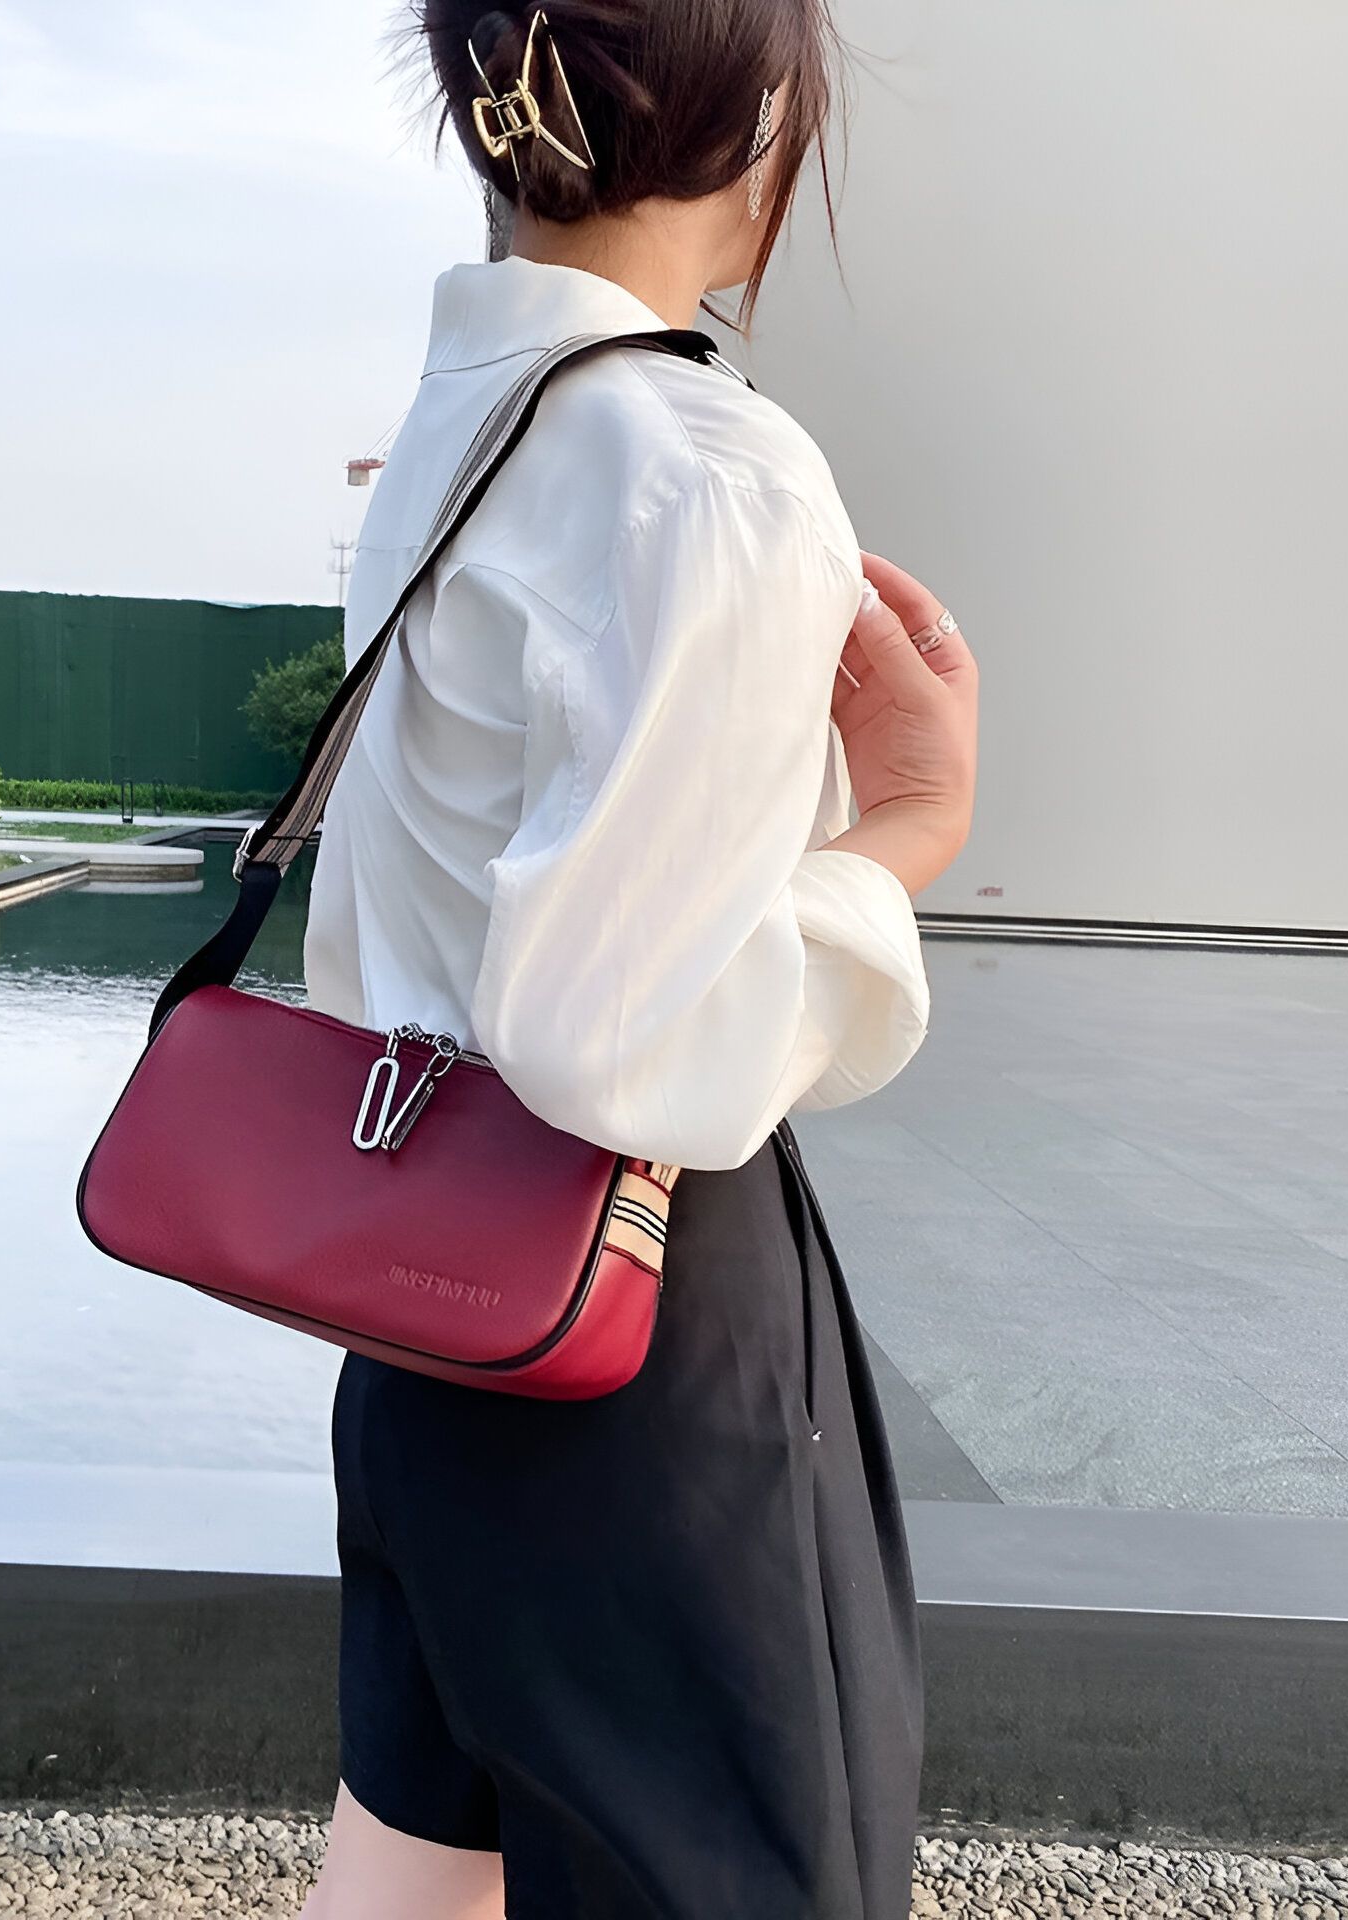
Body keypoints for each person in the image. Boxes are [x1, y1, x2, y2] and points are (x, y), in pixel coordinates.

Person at [297, 3, 979, 1914]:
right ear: (763, 114)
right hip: (623, 1307)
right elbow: (623, 1040)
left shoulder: (456, 427)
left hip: (419, 1279)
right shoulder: (712, 469)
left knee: (425, 1839)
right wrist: (903, 830)